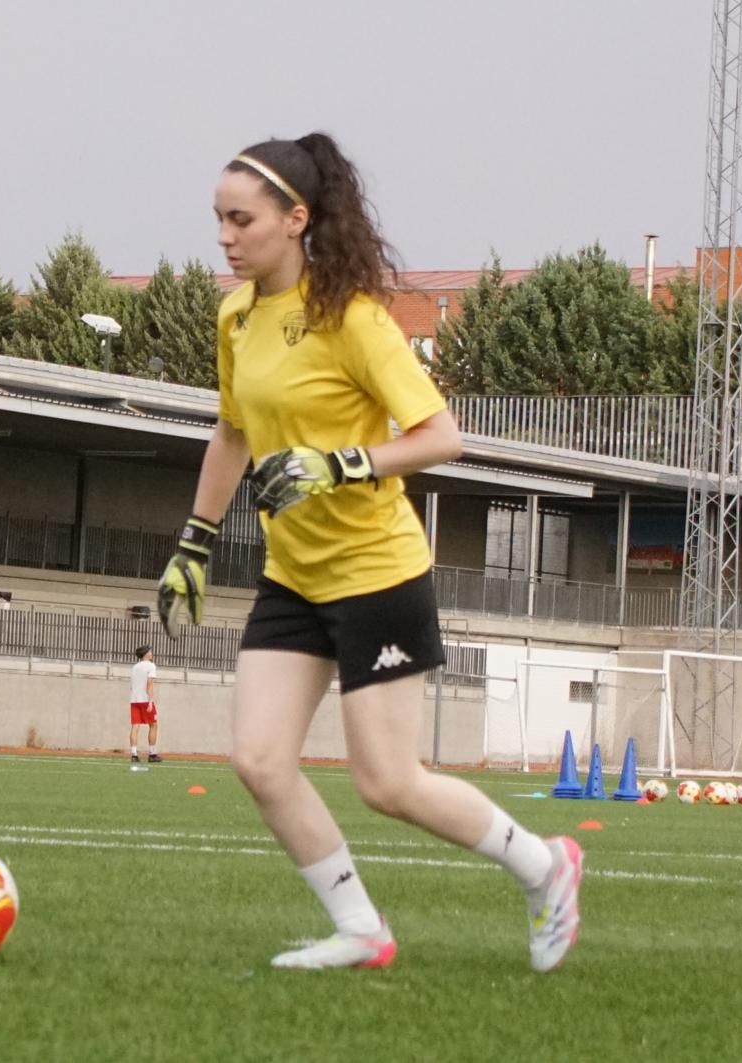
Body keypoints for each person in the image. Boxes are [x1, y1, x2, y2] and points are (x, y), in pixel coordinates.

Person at [156, 134, 581, 972]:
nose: (225, 237)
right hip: (292, 574)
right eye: (219, 219)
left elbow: (442, 436)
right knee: (260, 761)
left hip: (376, 571)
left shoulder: (351, 318)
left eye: (241, 219)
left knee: (388, 783)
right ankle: (361, 928)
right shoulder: (235, 317)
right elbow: (233, 431)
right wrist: (194, 541)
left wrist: (342, 463)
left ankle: (545, 865)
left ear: (296, 219)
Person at [129, 645, 161, 764]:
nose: (152, 653)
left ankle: (134, 754)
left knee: (135, 726)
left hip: (134, 700)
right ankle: (152, 754)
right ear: (146, 654)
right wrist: (150, 701)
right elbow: (149, 683)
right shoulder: (151, 666)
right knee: (153, 725)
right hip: (145, 700)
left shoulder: (135, 667)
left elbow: (133, 684)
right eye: (150, 651)